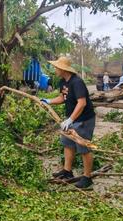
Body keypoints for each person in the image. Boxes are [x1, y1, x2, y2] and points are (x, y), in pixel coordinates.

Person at [42, 56, 96, 189]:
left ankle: (87, 177)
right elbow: (62, 97)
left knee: (84, 147)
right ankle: (67, 171)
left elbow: (82, 103)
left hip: (83, 120)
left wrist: (71, 119)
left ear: (63, 69)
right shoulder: (63, 82)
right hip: (70, 119)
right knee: (67, 144)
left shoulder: (77, 82)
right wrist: (48, 101)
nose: (55, 69)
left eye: (56, 67)